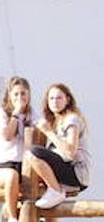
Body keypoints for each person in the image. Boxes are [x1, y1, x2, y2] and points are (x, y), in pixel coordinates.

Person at [27, 83, 91, 213]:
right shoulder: (56, 121)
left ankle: (55, 190)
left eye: (59, 98)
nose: (54, 101)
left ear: (67, 100)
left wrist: (48, 132)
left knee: (32, 153)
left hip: (76, 172)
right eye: (51, 98)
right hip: (66, 169)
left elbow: (70, 151)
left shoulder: (71, 120)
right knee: (29, 159)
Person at [0, 77, 33, 222]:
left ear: (29, 95)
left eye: (23, 94)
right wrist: (15, 114)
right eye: (16, 94)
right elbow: (6, 136)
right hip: (3, 165)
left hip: (24, 166)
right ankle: (12, 219)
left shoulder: (32, 115)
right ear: (9, 96)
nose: (20, 98)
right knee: (11, 176)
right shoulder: (2, 113)